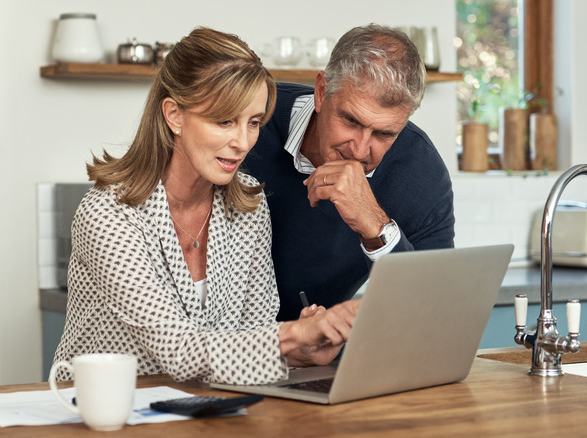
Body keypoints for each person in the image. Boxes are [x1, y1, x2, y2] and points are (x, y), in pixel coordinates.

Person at [52, 27, 360, 386]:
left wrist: (298, 354)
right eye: (224, 120)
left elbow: (252, 333)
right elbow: (178, 350)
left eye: (254, 122)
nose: (243, 142)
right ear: (174, 115)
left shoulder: (249, 207)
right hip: (107, 413)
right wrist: (294, 335)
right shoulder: (108, 214)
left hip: (206, 411)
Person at [242, 24, 455, 322]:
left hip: (321, 353)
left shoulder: (422, 173)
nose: (359, 150)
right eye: (351, 121)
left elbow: (434, 310)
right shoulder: (251, 122)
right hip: (221, 347)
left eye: (383, 134)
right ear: (321, 91)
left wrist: (376, 227)